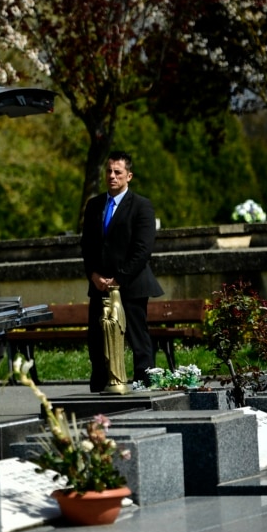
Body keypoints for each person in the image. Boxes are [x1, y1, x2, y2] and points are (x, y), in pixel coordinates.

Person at [80, 151, 164, 392]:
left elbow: (142, 249)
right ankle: (100, 384)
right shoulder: (94, 205)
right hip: (100, 285)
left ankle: (143, 383)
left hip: (132, 284)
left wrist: (119, 279)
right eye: (109, 171)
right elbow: (87, 246)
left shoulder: (141, 206)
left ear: (129, 175)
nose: (112, 176)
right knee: (96, 338)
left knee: (138, 337)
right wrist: (94, 276)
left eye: (118, 172)